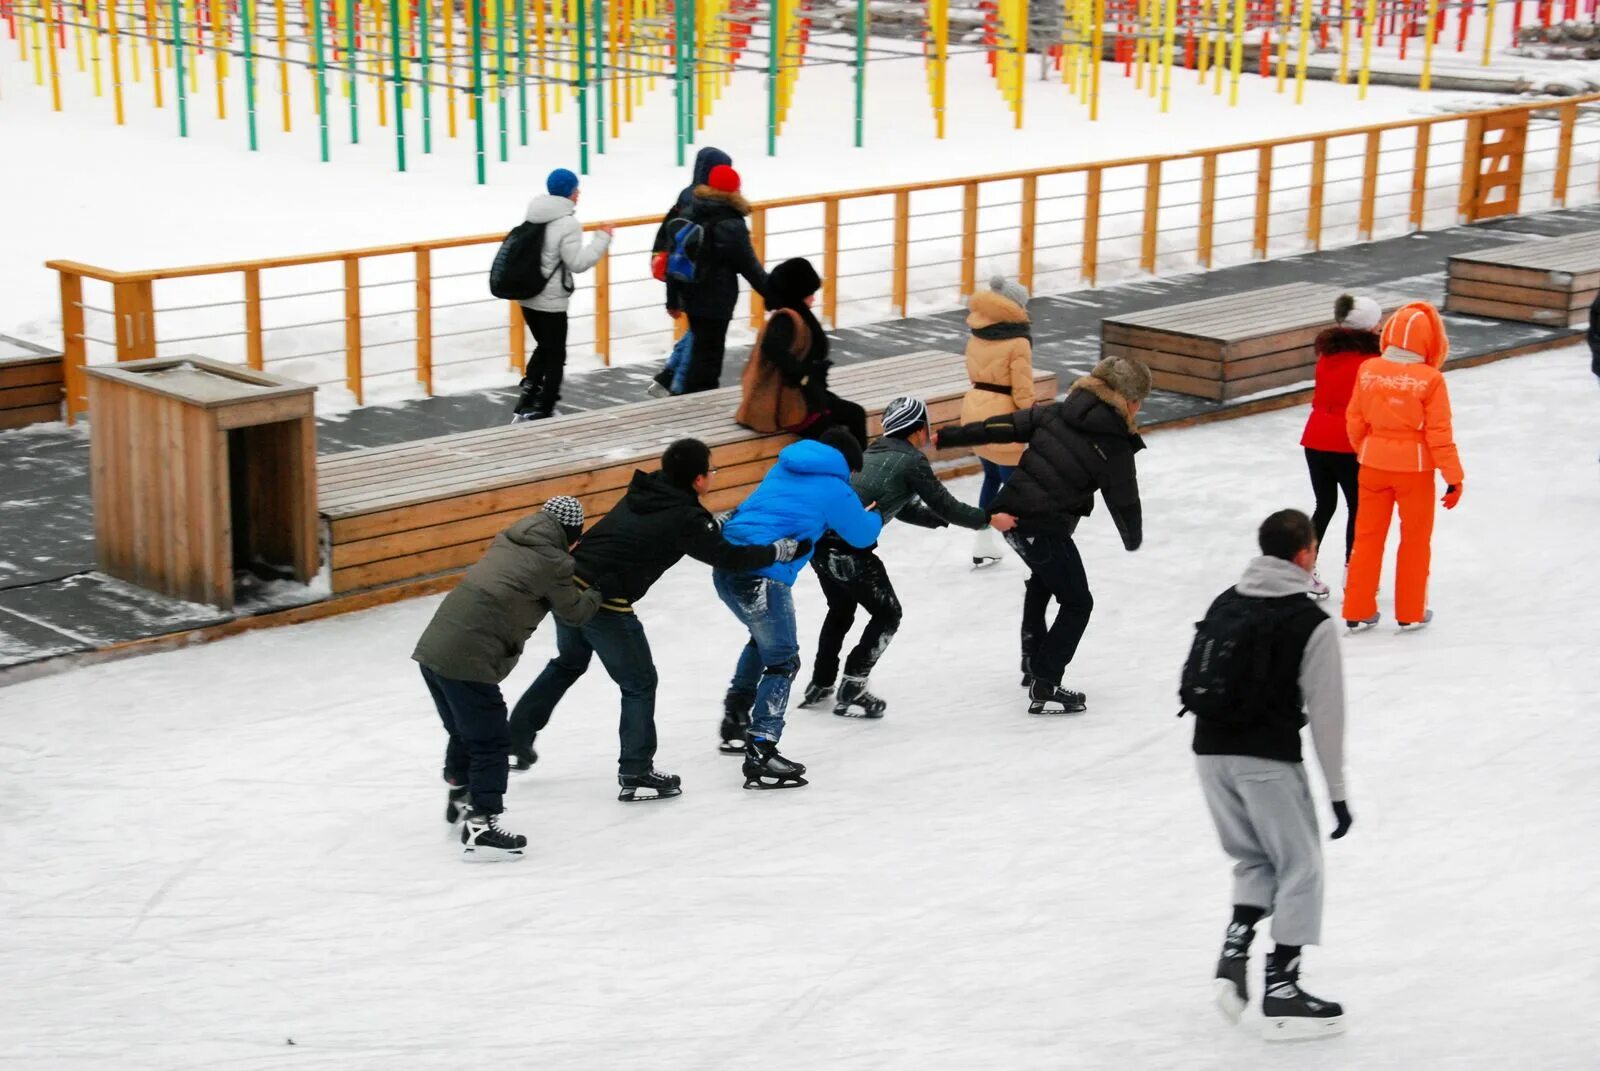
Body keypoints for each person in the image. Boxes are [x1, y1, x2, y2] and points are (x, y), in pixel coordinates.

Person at [508, 439, 808, 798]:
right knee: (639, 683)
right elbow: (728, 557)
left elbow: (681, 529)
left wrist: (712, 524)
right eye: (710, 470)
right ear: (698, 479)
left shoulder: (649, 489)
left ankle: (515, 739)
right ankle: (636, 772)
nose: (712, 476)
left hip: (568, 579)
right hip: (603, 599)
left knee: (569, 662)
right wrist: (780, 549)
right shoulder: (685, 517)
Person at [1186, 508, 1351, 1041]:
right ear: (1304, 554)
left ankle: (1236, 952)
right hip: (1267, 759)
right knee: (1301, 865)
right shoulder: (1311, 622)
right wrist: (1339, 794)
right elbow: (1327, 717)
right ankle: (1283, 988)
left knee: (1254, 858)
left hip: (1209, 752)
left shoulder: (1225, 601)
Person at [936, 356, 1149, 715]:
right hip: (1040, 527)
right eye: (1139, 400)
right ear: (1127, 400)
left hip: (1012, 518)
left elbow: (1000, 427)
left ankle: (1033, 661)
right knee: (1079, 602)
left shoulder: (1056, 413)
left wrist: (951, 436)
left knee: (1043, 581)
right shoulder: (1113, 442)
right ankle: (1046, 681)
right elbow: (1124, 499)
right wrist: (1133, 538)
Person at [801, 397, 1017, 717]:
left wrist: (931, 519)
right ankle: (853, 685)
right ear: (917, 430)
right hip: (848, 549)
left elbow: (893, 501)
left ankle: (821, 682)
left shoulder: (874, 450)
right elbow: (948, 505)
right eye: (927, 426)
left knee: (841, 608)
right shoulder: (911, 461)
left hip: (819, 545)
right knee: (888, 614)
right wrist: (988, 519)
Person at [412, 497, 602, 860]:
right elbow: (574, 612)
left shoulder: (510, 539)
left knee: (465, 730)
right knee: (493, 741)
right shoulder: (555, 561)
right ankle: (481, 823)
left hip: (434, 648)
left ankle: (460, 784)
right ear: (571, 534)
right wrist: (598, 590)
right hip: (470, 658)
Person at [713, 429, 884, 788]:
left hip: (727, 567)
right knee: (783, 660)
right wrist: (876, 514)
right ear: (847, 464)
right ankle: (761, 749)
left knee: (764, 642)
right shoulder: (834, 488)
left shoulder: (784, 468)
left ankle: (736, 715)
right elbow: (862, 535)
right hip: (764, 576)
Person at [1341, 301, 1464, 632]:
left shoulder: (1368, 370)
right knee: (1414, 541)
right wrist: (1454, 479)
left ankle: (1357, 607)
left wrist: (1367, 450)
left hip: (1372, 467)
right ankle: (1410, 611)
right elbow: (1439, 435)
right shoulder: (1431, 379)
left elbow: (1354, 419)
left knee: (1366, 538)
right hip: (1415, 472)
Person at [512, 169, 614, 422]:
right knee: (556, 353)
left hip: (527, 296)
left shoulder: (535, 214)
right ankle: (545, 407)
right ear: (570, 192)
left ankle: (529, 391)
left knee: (545, 346)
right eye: (577, 189)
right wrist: (602, 238)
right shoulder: (567, 223)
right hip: (551, 300)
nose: (579, 194)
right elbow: (578, 263)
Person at [733, 257, 868, 447]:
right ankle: (854, 472)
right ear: (797, 294)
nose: (813, 297)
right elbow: (772, 348)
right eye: (809, 293)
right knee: (839, 434)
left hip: (807, 397)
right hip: (791, 403)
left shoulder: (796, 315)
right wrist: (804, 377)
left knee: (854, 415)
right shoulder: (786, 319)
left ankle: (859, 472)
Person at [1300, 294, 1382, 596]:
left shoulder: (1328, 355)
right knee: (1357, 507)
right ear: (1369, 327)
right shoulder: (1372, 363)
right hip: (1349, 443)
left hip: (1315, 438)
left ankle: (1303, 570)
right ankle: (1355, 572)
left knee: (1325, 505)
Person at [665, 164, 769, 394]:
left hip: (691, 293)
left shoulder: (692, 210)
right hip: (717, 299)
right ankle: (699, 405)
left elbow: (674, 256)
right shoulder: (730, 223)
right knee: (709, 358)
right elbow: (748, 265)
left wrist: (673, 298)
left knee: (700, 351)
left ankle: (690, 394)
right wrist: (775, 294)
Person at [961, 275, 1037, 568]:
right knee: (1016, 487)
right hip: (1005, 419)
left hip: (975, 411)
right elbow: (1022, 391)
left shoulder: (976, 332)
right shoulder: (1018, 342)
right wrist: (1033, 416)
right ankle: (1032, 553)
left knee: (992, 477)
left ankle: (982, 543)